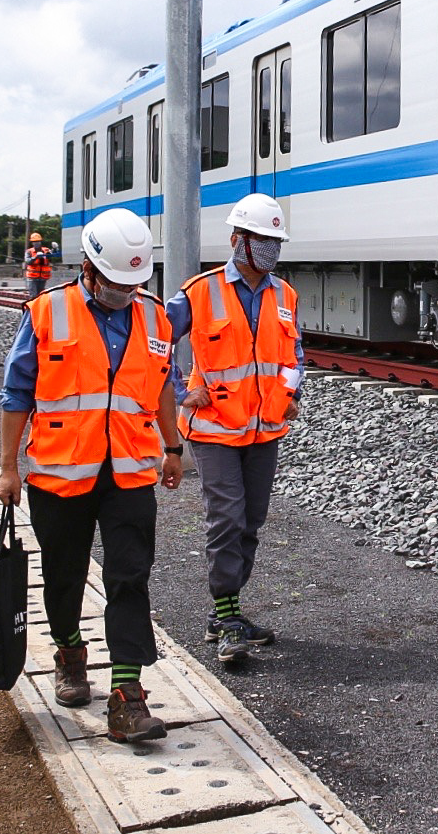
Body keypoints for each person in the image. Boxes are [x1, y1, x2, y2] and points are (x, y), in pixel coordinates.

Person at [0, 207, 184, 743]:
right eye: (115, 282)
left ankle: (127, 695)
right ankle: (70, 651)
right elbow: (16, 394)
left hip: (129, 472)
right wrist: (9, 468)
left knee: (130, 576)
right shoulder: (45, 312)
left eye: (134, 283)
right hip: (60, 475)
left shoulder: (154, 318)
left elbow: (163, 384)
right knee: (64, 575)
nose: (124, 292)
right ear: (88, 267)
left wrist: (172, 446)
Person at [165, 193, 304, 665]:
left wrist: (291, 397)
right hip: (214, 428)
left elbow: (294, 358)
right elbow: (153, 344)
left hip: (264, 430)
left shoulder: (285, 295)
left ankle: (226, 609)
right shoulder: (198, 292)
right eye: (261, 240)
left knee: (251, 523)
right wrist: (183, 392)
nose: (268, 249)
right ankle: (227, 618)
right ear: (236, 240)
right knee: (226, 519)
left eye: (274, 241)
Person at [25, 232, 52, 299]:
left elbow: (51, 256)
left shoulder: (46, 250)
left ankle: (40, 309)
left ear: (40, 242)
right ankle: (32, 309)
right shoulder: (29, 251)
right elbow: (28, 261)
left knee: (41, 295)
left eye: (38, 241)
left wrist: (52, 251)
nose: (36, 243)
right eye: (34, 242)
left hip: (43, 277)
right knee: (33, 296)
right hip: (32, 277)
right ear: (32, 243)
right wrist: (35, 257)